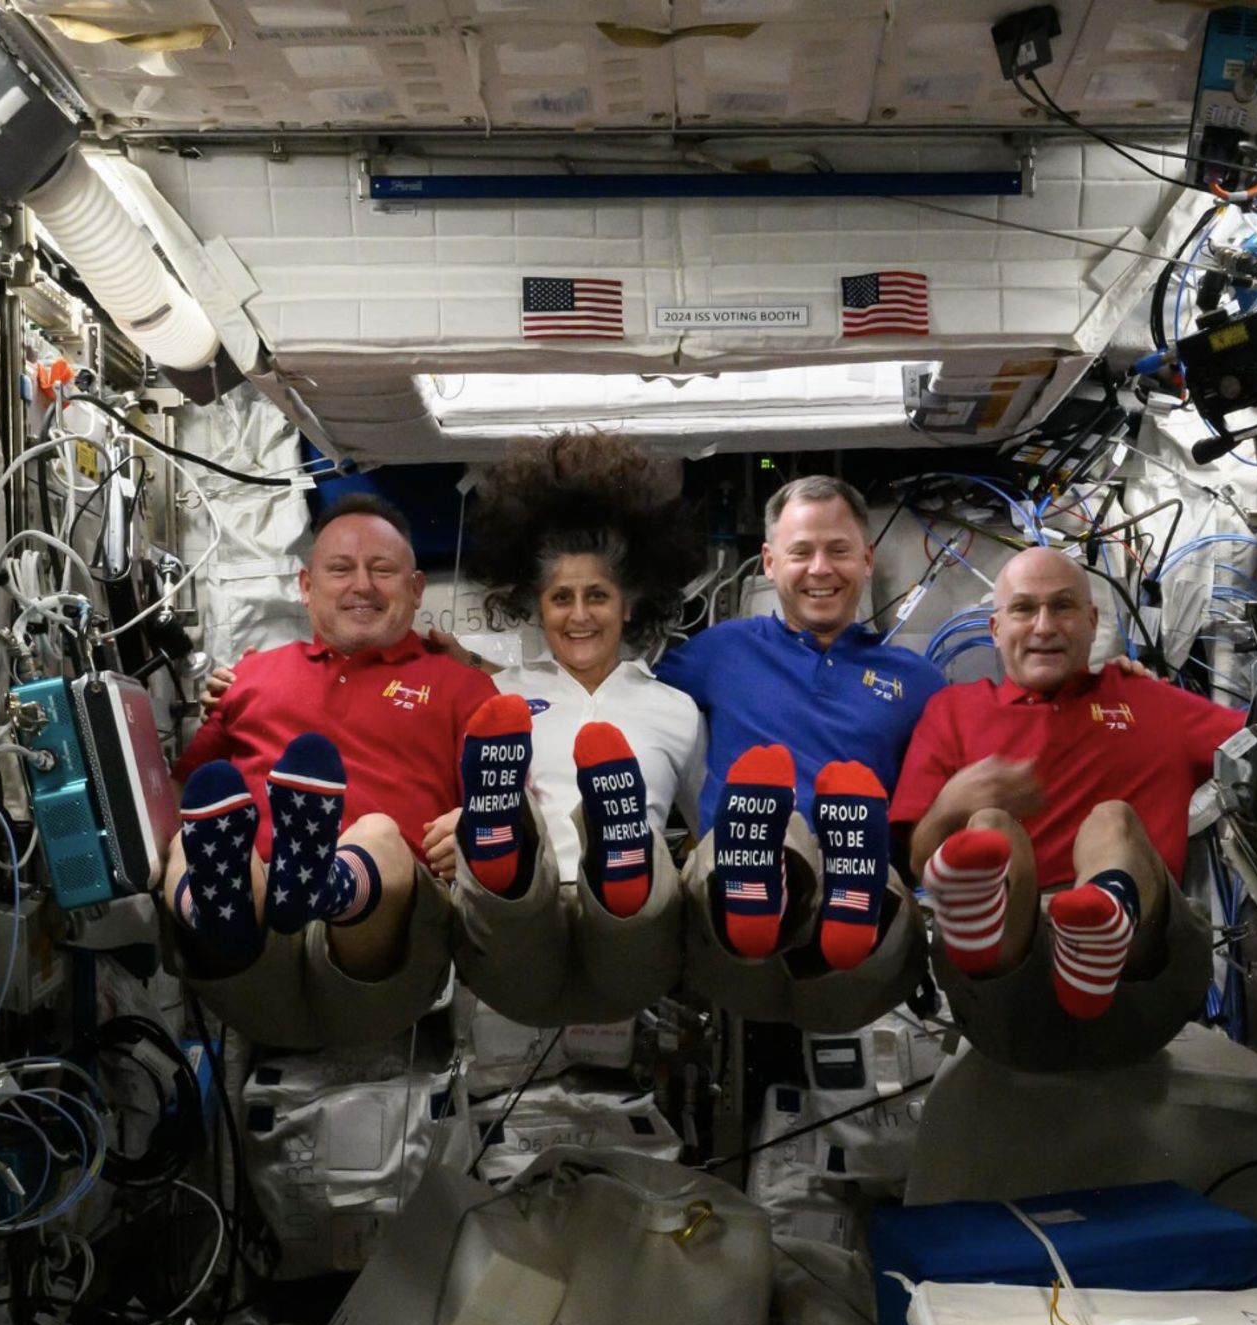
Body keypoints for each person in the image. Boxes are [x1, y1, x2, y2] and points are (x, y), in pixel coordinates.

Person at [889, 546, 1246, 1070]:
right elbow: (919, 859)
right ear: (994, 627)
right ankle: (990, 936)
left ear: (1092, 620)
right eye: (1023, 609)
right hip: (1007, 982)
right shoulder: (954, 712)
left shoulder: (1151, 703)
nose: (1044, 626)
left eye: (1063, 607)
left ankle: (1102, 918)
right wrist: (953, 803)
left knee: (1114, 821)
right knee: (990, 829)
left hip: (1139, 973)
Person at [166, 493, 496, 1049]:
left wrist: (471, 823)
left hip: (381, 950)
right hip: (249, 946)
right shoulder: (248, 678)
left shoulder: (463, 687)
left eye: (382, 569)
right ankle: (219, 912)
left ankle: (327, 884)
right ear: (305, 586)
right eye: (340, 569)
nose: (361, 585)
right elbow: (182, 791)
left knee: (377, 834)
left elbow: (510, 807)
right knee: (193, 833)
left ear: (416, 590)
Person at [427, 432, 707, 1026]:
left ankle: (620, 849)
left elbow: (705, 832)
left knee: (636, 897)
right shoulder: (498, 699)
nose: (579, 615)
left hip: (630, 938)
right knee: (512, 892)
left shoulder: (676, 709)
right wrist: (466, 827)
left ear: (629, 604)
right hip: (525, 921)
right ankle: (503, 843)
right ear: (538, 606)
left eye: (597, 596)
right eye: (561, 597)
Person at [654, 475, 947, 1031]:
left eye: (838, 550)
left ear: (866, 559)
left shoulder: (918, 681)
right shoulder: (719, 652)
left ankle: (847, 881)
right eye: (801, 552)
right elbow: (614, 696)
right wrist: (488, 678)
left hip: (857, 934)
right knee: (770, 825)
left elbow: (988, 727)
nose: (820, 569)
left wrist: (1108, 677)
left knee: (864, 866)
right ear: (768, 562)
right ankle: (769, 870)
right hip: (731, 911)